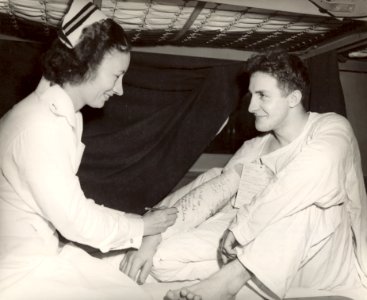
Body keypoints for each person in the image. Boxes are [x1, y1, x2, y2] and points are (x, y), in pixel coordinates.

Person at [120, 50, 367, 300]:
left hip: (325, 264)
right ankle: (237, 278)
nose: (251, 107)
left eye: (262, 96)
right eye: (251, 95)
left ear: (293, 98)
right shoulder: (254, 148)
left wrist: (241, 229)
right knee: (163, 258)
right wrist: (153, 234)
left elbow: (308, 176)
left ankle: (229, 281)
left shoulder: (332, 128)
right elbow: (212, 190)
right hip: (266, 257)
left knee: (310, 197)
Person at [0, 1, 177, 299]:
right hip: (19, 270)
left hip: (34, 252)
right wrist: (142, 225)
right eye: (116, 75)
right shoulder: (41, 125)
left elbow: (70, 205)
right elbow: (75, 219)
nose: (120, 89)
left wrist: (136, 226)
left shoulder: (55, 113)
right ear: (85, 65)